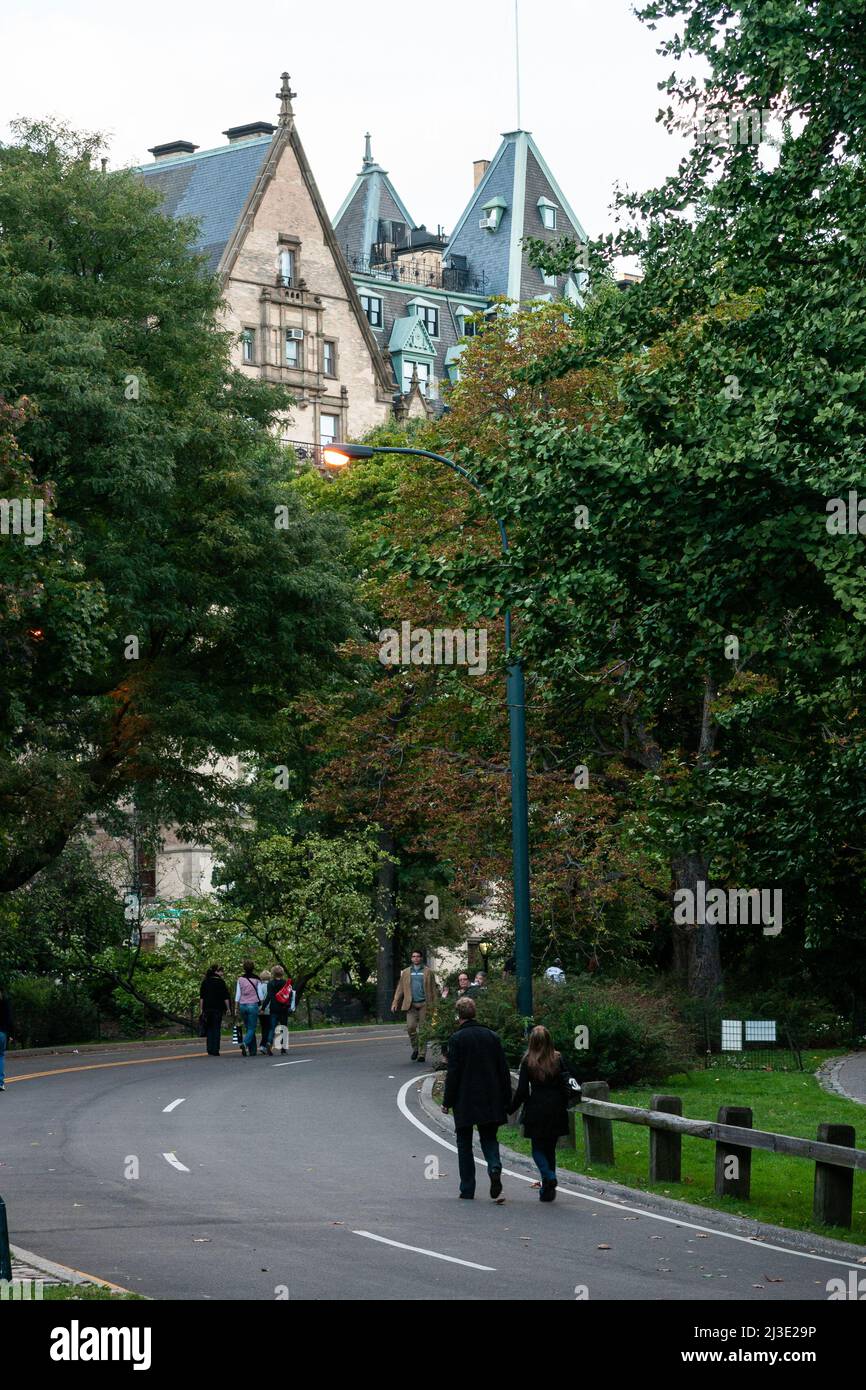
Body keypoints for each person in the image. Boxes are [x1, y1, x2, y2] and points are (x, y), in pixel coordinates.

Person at [442, 996, 512, 1200]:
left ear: (458, 1016)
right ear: (475, 1013)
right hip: (491, 1096)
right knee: (489, 1137)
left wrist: (447, 1101)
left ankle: (467, 1187)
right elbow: (503, 1070)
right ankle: (494, 1165)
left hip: (465, 1098)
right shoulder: (492, 1037)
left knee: (464, 1142)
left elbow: (453, 1073)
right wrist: (506, 1098)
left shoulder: (457, 1039)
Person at [508, 1024, 581, 1202]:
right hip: (557, 1107)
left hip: (537, 1107)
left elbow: (523, 1090)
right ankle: (548, 1191)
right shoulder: (558, 1059)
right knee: (550, 1149)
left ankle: (548, 1176)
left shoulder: (528, 1061)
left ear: (532, 1042)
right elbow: (568, 1080)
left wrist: (511, 1108)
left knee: (537, 1149)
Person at [391, 950, 437, 1062]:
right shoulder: (406, 972)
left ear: (421, 958)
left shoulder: (428, 972)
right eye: (413, 956)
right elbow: (400, 988)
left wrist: (435, 1004)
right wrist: (395, 1001)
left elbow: (433, 989)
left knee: (423, 1030)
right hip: (410, 1004)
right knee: (411, 1027)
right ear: (411, 959)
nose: (415, 958)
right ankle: (415, 1048)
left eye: (418, 956)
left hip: (424, 1004)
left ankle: (422, 1054)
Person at [199, 965, 231, 1056]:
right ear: (216, 972)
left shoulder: (205, 982)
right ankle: (216, 1049)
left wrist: (201, 1009)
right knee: (216, 1028)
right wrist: (228, 1008)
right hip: (218, 1008)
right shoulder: (221, 982)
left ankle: (209, 1048)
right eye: (221, 971)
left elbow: (202, 997)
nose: (222, 973)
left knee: (209, 1028)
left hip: (207, 1008)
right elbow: (225, 997)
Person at [235, 960, 263, 1056]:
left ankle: (253, 1051)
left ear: (244, 968)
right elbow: (260, 994)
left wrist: (236, 1007)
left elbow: (238, 994)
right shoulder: (257, 979)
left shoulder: (240, 979)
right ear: (253, 968)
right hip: (253, 1005)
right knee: (252, 1028)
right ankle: (245, 1043)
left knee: (248, 1028)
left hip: (243, 1005)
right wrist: (261, 1005)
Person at [266, 965, 294, 1054]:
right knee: (283, 1027)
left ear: (273, 973)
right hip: (283, 1007)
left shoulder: (270, 984)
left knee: (272, 1027)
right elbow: (290, 995)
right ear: (282, 973)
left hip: (273, 1008)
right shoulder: (286, 983)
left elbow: (269, 997)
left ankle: (269, 1042)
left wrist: (263, 1007)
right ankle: (283, 1047)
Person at [258, 969, 273, 1055]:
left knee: (264, 1028)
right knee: (270, 1028)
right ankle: (265, 1044)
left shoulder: (259, 986)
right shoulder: (270, 986)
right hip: (269, 1009)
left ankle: (262, 1045)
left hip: (260, 1009)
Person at [0, 985, 12, 1092]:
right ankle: (0, 1082)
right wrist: (12, 1034)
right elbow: (9, 1020)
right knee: (0, 1056)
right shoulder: (5, 1004)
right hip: (2, 1033)